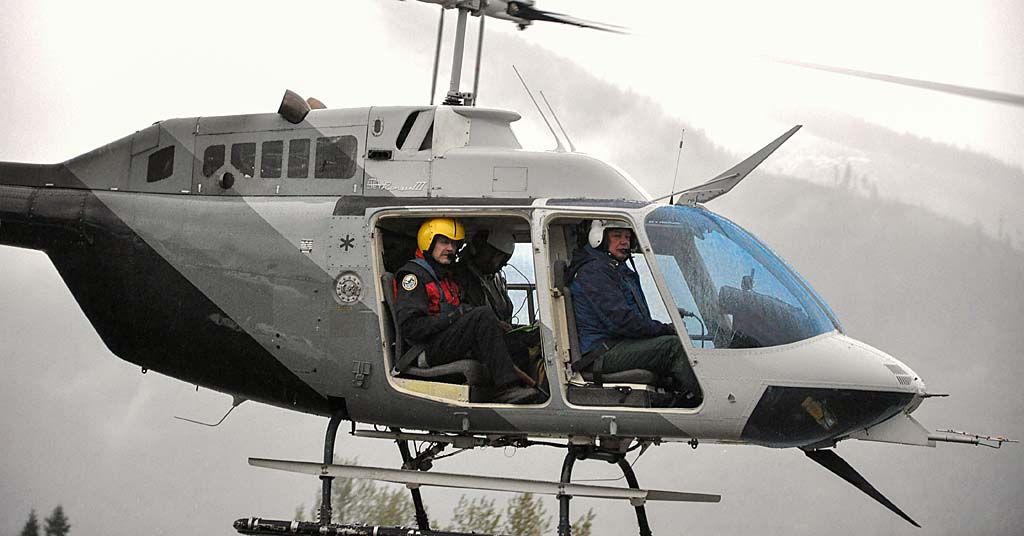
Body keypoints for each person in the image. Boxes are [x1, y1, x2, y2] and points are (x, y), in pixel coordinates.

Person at [394, 218, 543, 404]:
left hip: (445, 342)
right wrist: (454, 316)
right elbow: (411, 328)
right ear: (428, 241)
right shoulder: (414, 277)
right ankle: (505, 390)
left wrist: (494, 326)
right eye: (444, 242)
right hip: (425, 350)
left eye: (455, 244)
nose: (450, 248)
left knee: (516, 345)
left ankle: (524, 396)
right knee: (482, 315)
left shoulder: (446, 277)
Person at [567, 219, 702, 405]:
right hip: (602, 351)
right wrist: (665, 329)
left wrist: (663, 329)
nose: (624, 242)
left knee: (675, 346)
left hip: (617, 344)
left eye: (628, 237)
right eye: (617, 236)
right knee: (674, 347)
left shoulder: (614, 268)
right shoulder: (594, 271)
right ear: (599, 238)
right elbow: (622, 322)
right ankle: (700, 401)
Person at [454, 229, 545, 388]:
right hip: (477, 338)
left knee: (537, 336)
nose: (499, 263)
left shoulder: (495, 278)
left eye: (502, 258)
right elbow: (465, 313)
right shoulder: (461, 276)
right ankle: (512, 388)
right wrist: (495, 324)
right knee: (520, 348)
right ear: (480, 250)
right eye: (496, 256)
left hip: (497, 331)